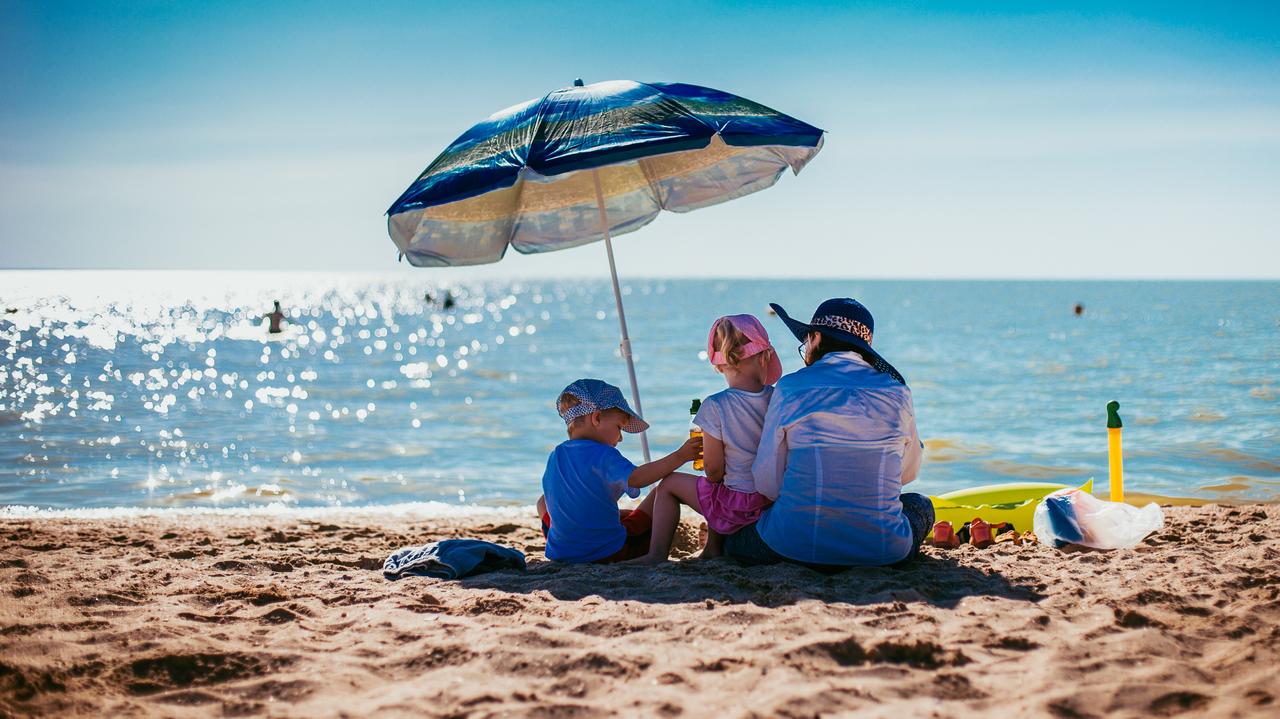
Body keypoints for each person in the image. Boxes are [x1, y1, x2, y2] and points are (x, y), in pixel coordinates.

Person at [724, 297, 935, 571]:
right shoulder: (897, 393)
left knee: (734, 540)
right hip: (882, 551)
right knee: (920, 504)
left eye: (806, 342)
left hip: (794, 547)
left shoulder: (791, 388)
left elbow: (767, 481)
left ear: (816, 337)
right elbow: (907, 474)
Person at [630, 315, 782, 563]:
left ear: (720, 366)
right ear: (764, 356)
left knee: (670, 484)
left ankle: (656, 554)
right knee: (720, 486)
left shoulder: (716, 405)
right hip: (772, 502)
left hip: (739, 506)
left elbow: (712, 470)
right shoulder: (778, 399)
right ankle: (712, 550)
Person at [536, 379, 701, 564]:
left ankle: (571, 545)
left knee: (543, 502)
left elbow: (585, 497)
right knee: (661, 491)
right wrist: (680, 456)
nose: (620, 438)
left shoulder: (555, 455)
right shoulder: (603, 453)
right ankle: (656, 555)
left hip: (562, 553)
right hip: (608, 552)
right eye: (619, 428)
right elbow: (637, 478)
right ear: (596, 418)